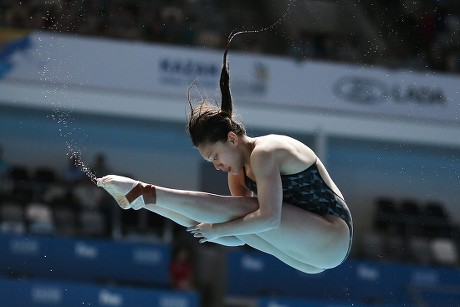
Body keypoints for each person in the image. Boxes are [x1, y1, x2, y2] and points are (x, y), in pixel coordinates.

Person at [97, 32, 353, 274]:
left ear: (232, 138)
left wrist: (218, 230)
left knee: (245, 211)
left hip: (332, 237)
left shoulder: (266, 152)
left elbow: (270, 219)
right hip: (306, 258)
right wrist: (215, 232)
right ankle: (144, 200)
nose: (217, 165)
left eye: (215, 157)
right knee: (228, 220)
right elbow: (239, 237)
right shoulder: (238, 172)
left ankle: (144, 190)